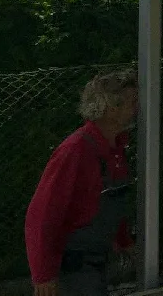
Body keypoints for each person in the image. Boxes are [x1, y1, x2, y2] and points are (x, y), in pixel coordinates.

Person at [25, 71, 139, 296]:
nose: (137, 108)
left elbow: (110, 203)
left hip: (97, 261)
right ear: (111, 109)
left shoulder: (115, 148)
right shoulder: (75, 151)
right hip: (73, 265)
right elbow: (42, 215)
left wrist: (124, 241)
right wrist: (43, 274)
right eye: (133, 102)